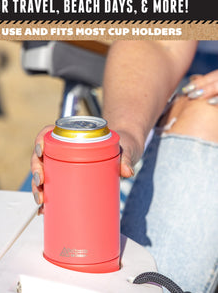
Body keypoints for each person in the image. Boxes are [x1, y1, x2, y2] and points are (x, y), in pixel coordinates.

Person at [30, 40, 218, 293]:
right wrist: (122, 136)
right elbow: (158, 40)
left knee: (205, 113)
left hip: (198, 114)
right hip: (166, 98)